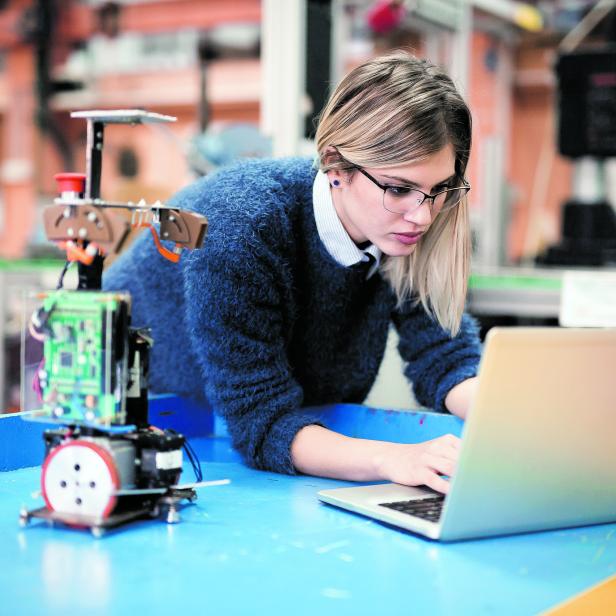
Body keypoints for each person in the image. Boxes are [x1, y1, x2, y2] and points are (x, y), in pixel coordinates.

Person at [103, 50, 481, 494]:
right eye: (400, 189)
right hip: (124, 416)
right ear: (336, 165)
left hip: (242, 432)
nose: (423, 215)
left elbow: (445, 360)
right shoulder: (241, 226)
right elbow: (264, 425)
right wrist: (396, 458)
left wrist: (519, 423)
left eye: (439, 190)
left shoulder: (401, 226)